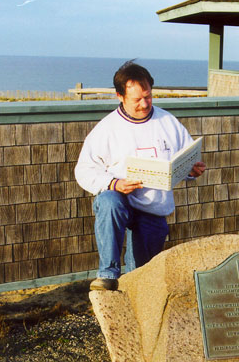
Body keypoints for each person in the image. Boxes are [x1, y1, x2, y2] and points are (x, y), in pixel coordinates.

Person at [75, 61, 206, 291]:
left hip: (153, 207)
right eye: (137, 100)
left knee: (140, 277)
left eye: (148, 96)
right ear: (120, 96)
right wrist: (114, 183)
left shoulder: (168, 122)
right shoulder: (107, 129)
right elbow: (84, 170)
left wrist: (192, 171)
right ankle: (108, 273)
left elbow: (186, 158)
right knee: (108, 202)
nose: (144, 104)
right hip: (121, 200)